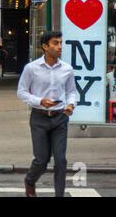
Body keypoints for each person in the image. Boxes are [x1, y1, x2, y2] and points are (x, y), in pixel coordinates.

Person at [17, 31, 76, 197]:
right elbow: (21, 92)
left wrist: (71, 104)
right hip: (39, 118)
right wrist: (39, 101)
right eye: (55, 43)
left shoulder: (67, 69)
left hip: (60, 118)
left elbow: (71, 91)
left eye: (60, 43)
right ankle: (30, 180)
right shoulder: (31, 68)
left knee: (61, 160)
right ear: (45, 46)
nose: (59, 47)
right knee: (42, 160)